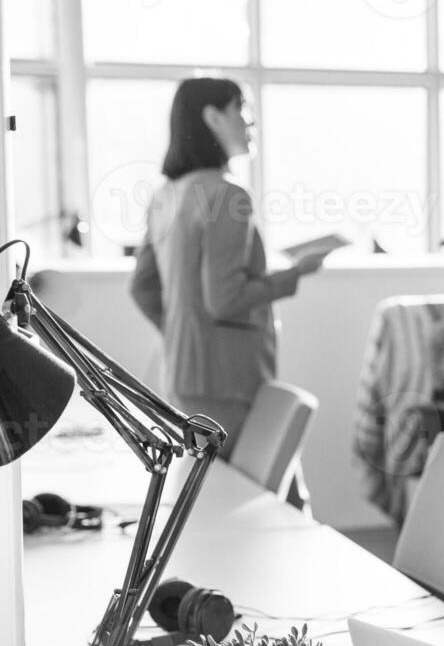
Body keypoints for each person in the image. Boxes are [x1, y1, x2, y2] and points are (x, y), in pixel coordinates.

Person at [130, 77, 323, 457]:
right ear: (213, 117)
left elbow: (142, 288)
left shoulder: (165, 196)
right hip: (230, 380)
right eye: (242, 108)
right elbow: (225, 299)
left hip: (183, 375)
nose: (250, 121)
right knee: (265, 499)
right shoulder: (228, 195)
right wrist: (294, 275)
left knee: (214, 494)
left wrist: (184, 334)